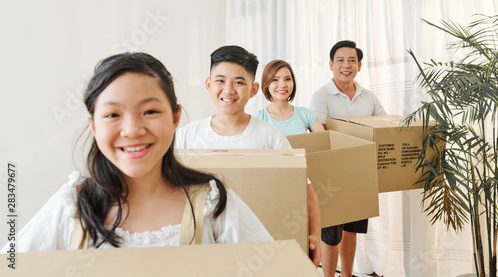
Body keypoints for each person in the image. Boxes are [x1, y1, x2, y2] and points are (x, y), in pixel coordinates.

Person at [2, 52, 272, 252]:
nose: (132, 130)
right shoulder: (71, 207)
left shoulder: (215, 204)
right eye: (112, 114)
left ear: (176, 117)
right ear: (93, 125)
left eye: (150, 111)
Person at [174, 46, 321, 267]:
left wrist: (314, 235)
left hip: (257, 250)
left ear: (253, 90)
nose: (228, 90)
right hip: (201, 250)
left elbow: (305, 193)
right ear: (208, 84)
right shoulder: (186, 137)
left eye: (239, 82)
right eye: (220, 81)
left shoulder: (270, 137)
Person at [309, 41, 387, 277]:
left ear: (359, 65)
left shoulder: (368, 97)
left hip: (359, 173)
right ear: (331, 65)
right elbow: (318, 132)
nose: (346, 65)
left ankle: (348, 275)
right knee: (331, 232)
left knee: (352, 229)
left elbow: (384, 126)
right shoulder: (321, 96)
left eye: (352, 60)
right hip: (331, 174)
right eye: (340, 60)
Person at [253, 59, 323, 266]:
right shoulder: (260, 118)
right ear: (266, 84)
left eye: (287, 79)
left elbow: (323, 147)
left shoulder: (305, 114)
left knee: (306, 247)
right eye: (275, 80)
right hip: (276, 190)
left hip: (306, 187)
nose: (282, 85)